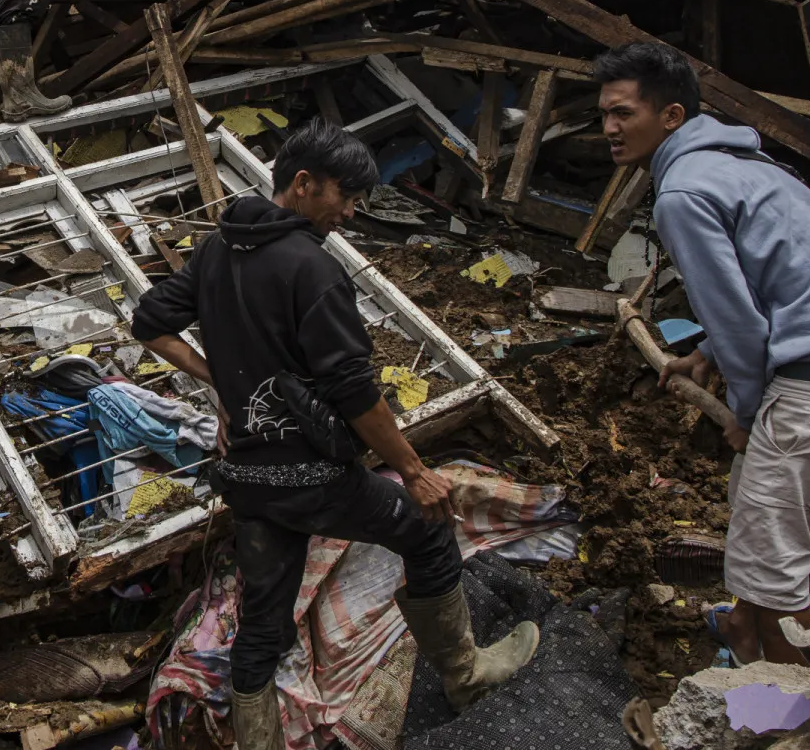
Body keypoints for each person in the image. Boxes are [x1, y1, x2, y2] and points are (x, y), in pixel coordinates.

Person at [130, 120, 539, 749]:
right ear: (303, 184)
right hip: (314, 477)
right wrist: (413, 469)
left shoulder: (217, 248)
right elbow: (353, 391)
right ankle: (467, 675)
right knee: (428, 533)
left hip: (248, 478)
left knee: (264, 621)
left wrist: (225, 385)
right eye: (344, 197)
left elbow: (151, 321)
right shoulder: (311, 269)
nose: (349, 213)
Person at [594, 41, 810, 667]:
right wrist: (706, 352)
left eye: (624, 113)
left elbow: (736, 318)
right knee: (762, 522)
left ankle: (796, 704)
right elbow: (770, 286)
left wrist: (749, 410)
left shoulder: (683, 193)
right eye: (604, 114)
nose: (609, 129)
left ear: (671, 116)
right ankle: (740, 627)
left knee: (777, 566)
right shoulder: (741, 167)